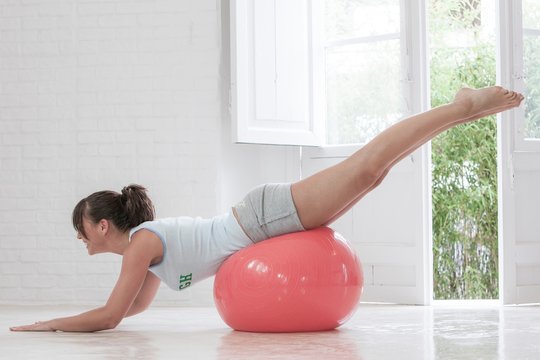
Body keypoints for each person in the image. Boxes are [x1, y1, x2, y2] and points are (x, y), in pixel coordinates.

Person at [10, 86, 524, 332]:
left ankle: (461, 107)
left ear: (102, 224)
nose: (82, 239)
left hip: (261, 218)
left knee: (368, 166)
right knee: (375, 172)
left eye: (82, 229)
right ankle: (458, 114)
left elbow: (109, 315)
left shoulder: (141, 244)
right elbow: (134, 309)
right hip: (261, 221)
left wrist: (45, 325)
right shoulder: (144, 250)